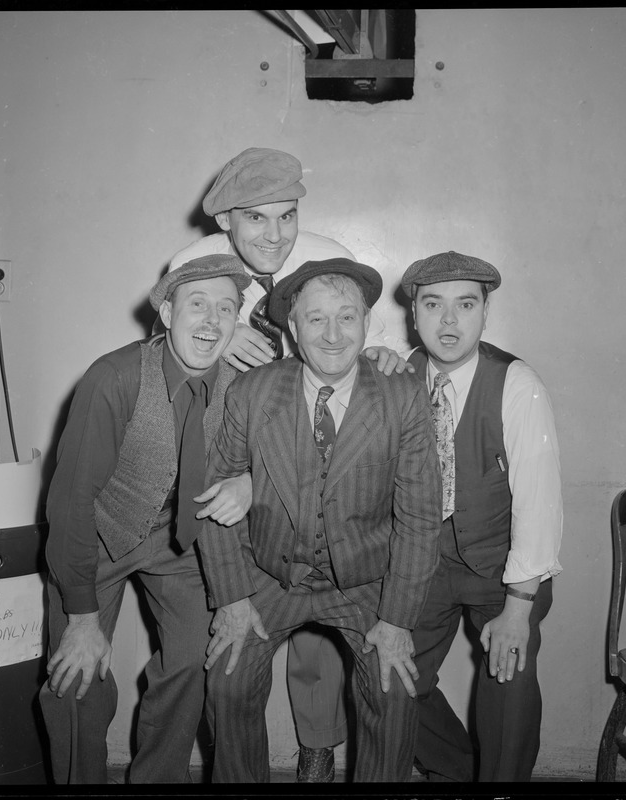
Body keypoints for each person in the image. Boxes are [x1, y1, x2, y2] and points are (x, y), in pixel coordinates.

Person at [170, 146, 408, 780]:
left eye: (286, 215)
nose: (274, 235)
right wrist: (222, 343)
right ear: (225, 222)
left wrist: (384, 362)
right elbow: (178, 352)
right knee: (227, 640)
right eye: (255, 219)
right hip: (232, 451)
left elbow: (357, 341)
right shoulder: (193, 265)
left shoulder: (328, 256)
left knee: (321, 645)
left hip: (326, 477)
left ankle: (318, 747)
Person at [197, 258, 442, 783]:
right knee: (229, 678)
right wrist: (234, 601)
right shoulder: (253, 392)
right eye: (316, 320)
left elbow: (420, 520)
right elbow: (217, 505)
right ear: (292, 327)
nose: (333, 336)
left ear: (366, 322)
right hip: (269, 573)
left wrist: (396, 622)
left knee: (393, 688)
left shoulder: (402, 397)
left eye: (347, 318)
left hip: (365, 580)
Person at [38, 254, 255, 784]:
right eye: (197, 304)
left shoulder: (245, 387)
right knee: (76, 676)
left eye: (225, 309)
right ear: (165, 313)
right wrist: (83, 620)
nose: (211, 321)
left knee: (193, 661)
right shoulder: (114, 377)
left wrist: (250, 482)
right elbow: (70, 504)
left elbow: (275, 462)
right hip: (99, 533)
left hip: (183, 540)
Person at [400, 251, 563, 782]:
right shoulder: (398, 377)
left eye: (465, 305)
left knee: (507, 684)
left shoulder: (517, 383)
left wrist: (519, 606)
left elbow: (539, 499)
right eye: (434, 305)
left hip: (502, 569)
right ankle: (464, 774)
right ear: (414, 314)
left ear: (486, 312)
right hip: (426, 564)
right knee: (393, 679)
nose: (449, 322)